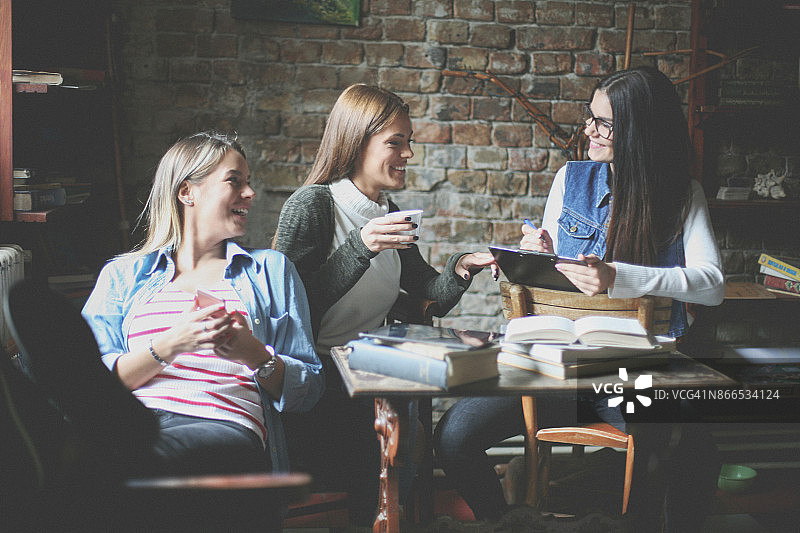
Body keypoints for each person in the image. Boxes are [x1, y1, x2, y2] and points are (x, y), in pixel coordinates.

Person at [434, 67, 725, 531]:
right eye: (590, 117)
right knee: (453, 436)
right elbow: (551, 272)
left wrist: (617, 277)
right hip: (556, 373)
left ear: (641, 130)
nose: (589, 130)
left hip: (632, 380)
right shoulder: (570, 179)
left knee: (694, 450)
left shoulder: (684, 195)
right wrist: (537, 254)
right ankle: (511, 523)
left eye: (604, 122)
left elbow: (712, 285)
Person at [272, 84, 497, 524]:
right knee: (395, 450)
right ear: (356, 142)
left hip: (372, 372)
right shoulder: (313, 205)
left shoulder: (386, 209)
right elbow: (289, 308)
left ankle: (389, 517)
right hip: (322, 383)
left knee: (407, 441)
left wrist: (461, 267)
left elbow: (428, 293)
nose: (408, 153)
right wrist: (361, 246)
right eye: (396, 142)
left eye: (409, 141)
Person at [74, 131, 323, 476]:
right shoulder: (123, 275)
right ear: (186, 192)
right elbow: (91, 384)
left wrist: (253, 353)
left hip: (220, 423)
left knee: (122, 459)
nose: (250, 193)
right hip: (134, 422)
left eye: (248, 182)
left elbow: (308, 390)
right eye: (234, 181)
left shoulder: (270, 270)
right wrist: (170, 345)